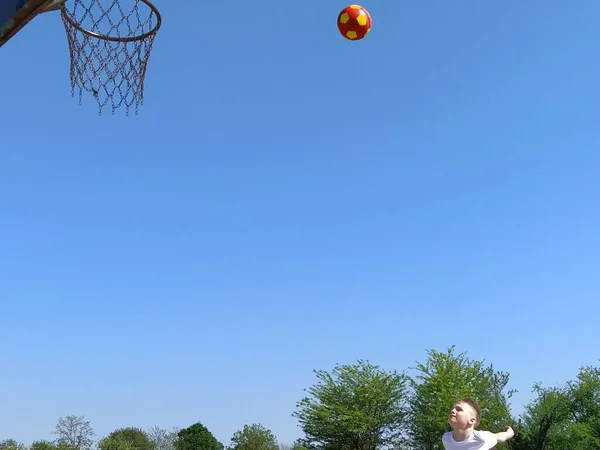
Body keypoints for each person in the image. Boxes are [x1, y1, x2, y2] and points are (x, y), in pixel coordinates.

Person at [441, 397, 514, 450]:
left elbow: (499, 437)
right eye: (453, 408)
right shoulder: (446, 438)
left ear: (471, 421)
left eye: (459, 409)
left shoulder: (481, 437)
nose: (453, 411)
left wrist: (509, 432)